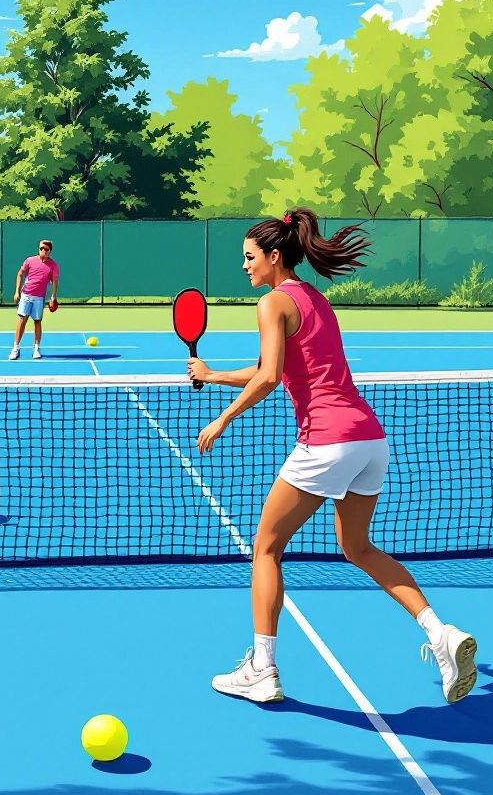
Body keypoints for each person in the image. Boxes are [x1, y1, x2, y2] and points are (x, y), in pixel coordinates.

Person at [190, 209, 477, 705]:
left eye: (249, 257)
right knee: (358, 548)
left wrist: (223, 418)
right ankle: (440, 633)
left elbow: (269, 378)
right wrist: (213, 374)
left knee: (266, 548)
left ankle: (263, 667)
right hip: (369, 440)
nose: (244, 267)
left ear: (274, 257)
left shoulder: (272, 302)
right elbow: (269, 367)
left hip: (326, 440)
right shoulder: (314, 299)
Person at [9, 239, 59, 360]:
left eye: (45, 249)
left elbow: (55, 282)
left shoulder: (53, 265)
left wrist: (53, 296)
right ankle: (15, 348)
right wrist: (17, 291)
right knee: (22, 320)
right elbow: (20, 274)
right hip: (26, 295)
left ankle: (36, 349)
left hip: (39, 298)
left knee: (37, 321)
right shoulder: (30, 260)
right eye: (41, 248)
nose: (43, 250)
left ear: (50, 251)